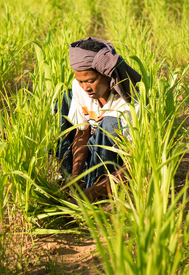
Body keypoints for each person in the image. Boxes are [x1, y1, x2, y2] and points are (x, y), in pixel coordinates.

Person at [56, 37, 141, 202]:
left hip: (115, 169)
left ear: (108, 75)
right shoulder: (79, 87)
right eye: (81, 81)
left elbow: (133, 163)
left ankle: (100, 189)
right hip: (92, 154)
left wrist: (92, 193)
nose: (85, 88)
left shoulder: (128, 103)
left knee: (110, 123)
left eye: (91, 81)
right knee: (64, 99)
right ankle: (67, 178)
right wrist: (75, 176)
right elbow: (82, 132)